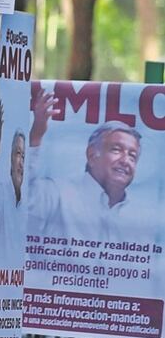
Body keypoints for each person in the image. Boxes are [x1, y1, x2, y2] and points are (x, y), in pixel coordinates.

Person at [27, 89, 147, 242]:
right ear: (91, 155)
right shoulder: (56, 193)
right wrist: (35, 137)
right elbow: (15, 201)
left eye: (132, 155)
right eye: (116, 149)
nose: (125, 160)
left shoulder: (140, 217)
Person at [0, 103, 26, 266]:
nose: (21, 163)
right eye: (18, 153)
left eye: (24, 156)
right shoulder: (2, 191)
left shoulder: (26, 202)